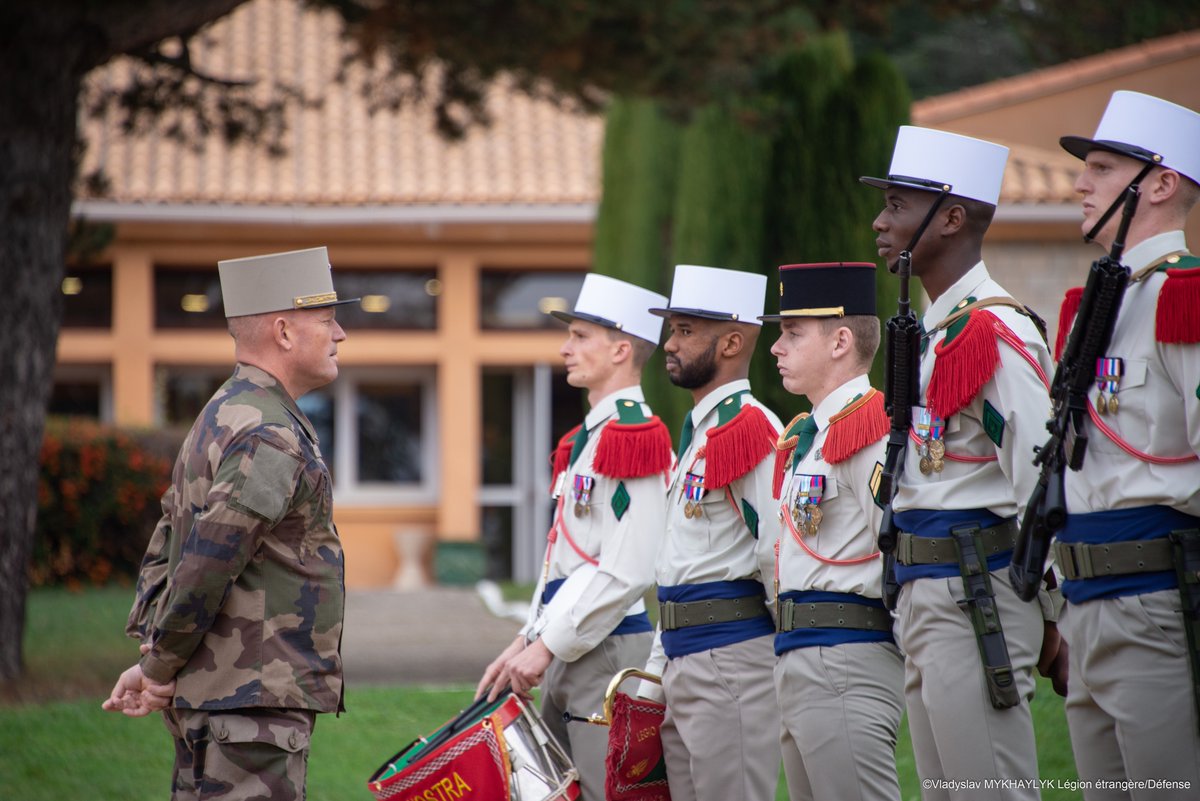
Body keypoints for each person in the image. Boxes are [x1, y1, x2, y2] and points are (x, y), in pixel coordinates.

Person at [103, 246, 357, 801]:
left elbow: (168, 545)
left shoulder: (223, 413)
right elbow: (207, 562)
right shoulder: (269, 432)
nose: (340, 334)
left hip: (227, 700)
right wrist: (159, 665)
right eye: (327, 319)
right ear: (284, 332)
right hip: (248, 708)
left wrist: (154, 661)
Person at [861, 127, 1057, 801]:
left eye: (897, 205)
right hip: (929, 593)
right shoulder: (938, 332)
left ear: (949, 217)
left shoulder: (991, 332)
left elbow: (1043, 476)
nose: (881, 222)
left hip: (976, 592)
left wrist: (1059, 606)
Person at [1052, 90, 1200, 799]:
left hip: (1157, 596)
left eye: (1104, 168)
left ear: (1163, 183)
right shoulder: (1101, 306)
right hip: (1087, 597)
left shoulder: (1185, 295)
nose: (1082, 182)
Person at [476, 273, 674, 801]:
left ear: (621, 349)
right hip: (568, 643)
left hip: (604, 649)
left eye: (582, 336)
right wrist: (525, 640)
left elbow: (629, 570)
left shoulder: (634, 435)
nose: (565, 348)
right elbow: (562, 566)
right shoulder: (589, 437)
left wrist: (543, 649)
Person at [760, 262, 904, 801]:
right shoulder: (810, 436)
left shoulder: (867, 428)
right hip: (801, 654)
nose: (777, 347)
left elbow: (897, 547)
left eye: (793, 334)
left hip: (847, 655)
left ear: (841, 340)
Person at [638, 263, 783, 801]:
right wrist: (654, 675)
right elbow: (677, 568)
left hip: (730, 659)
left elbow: (775, 553)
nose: (670, 344)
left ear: (731, 343)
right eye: (672, 329)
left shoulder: (749, 429)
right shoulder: (702, 433)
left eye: (685, 331)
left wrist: (782, 661)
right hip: (684, 655)